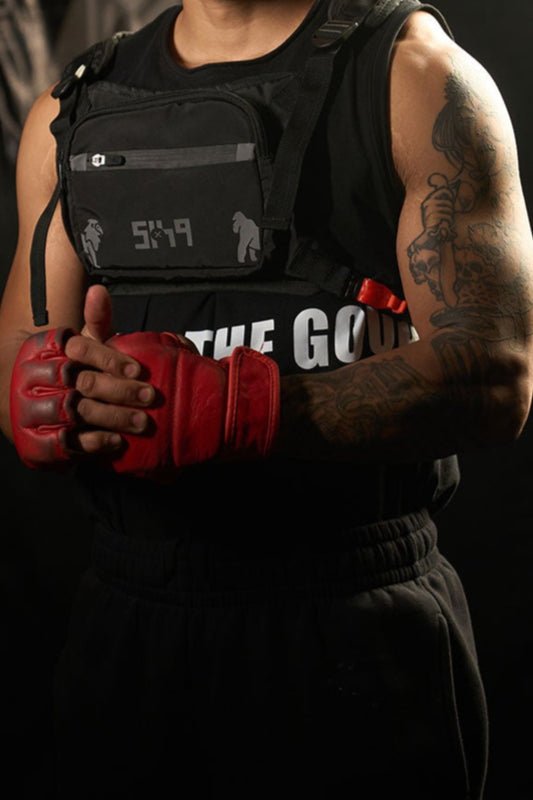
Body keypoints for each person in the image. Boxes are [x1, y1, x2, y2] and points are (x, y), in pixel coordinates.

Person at [1, 1, 532, 798]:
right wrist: (50, 398)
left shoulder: (413, 76)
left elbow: (494, 373)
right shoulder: (71, 107)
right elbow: (23, 347)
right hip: (131, 621)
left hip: (351, 618)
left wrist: (242, 409)